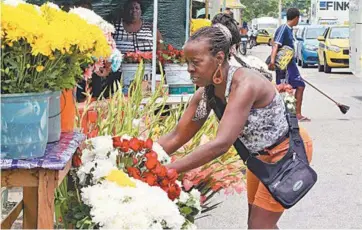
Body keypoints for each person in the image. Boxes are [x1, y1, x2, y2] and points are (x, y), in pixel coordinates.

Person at [157, 20, 313, 229]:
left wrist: (168, 170)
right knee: (257, 224)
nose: (189, 69)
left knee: (259, 226)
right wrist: (142, 156)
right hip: (259, 159)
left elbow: (221, 144)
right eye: (187, 62)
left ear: (219, 58)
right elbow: (176, 137)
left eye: (196, 62)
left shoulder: (244, 84)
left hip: (287, 152)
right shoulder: (206, 94)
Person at [268, 8, 310, 122]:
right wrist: (272, 61)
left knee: (300, 86)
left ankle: (297, 114)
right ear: (296, 18)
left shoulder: (290, 30)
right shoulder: (284, 29)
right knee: (283, 88)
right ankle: (283, 115)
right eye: (299, 18)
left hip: (291, 64)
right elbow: (275, 45)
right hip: (284, 66)